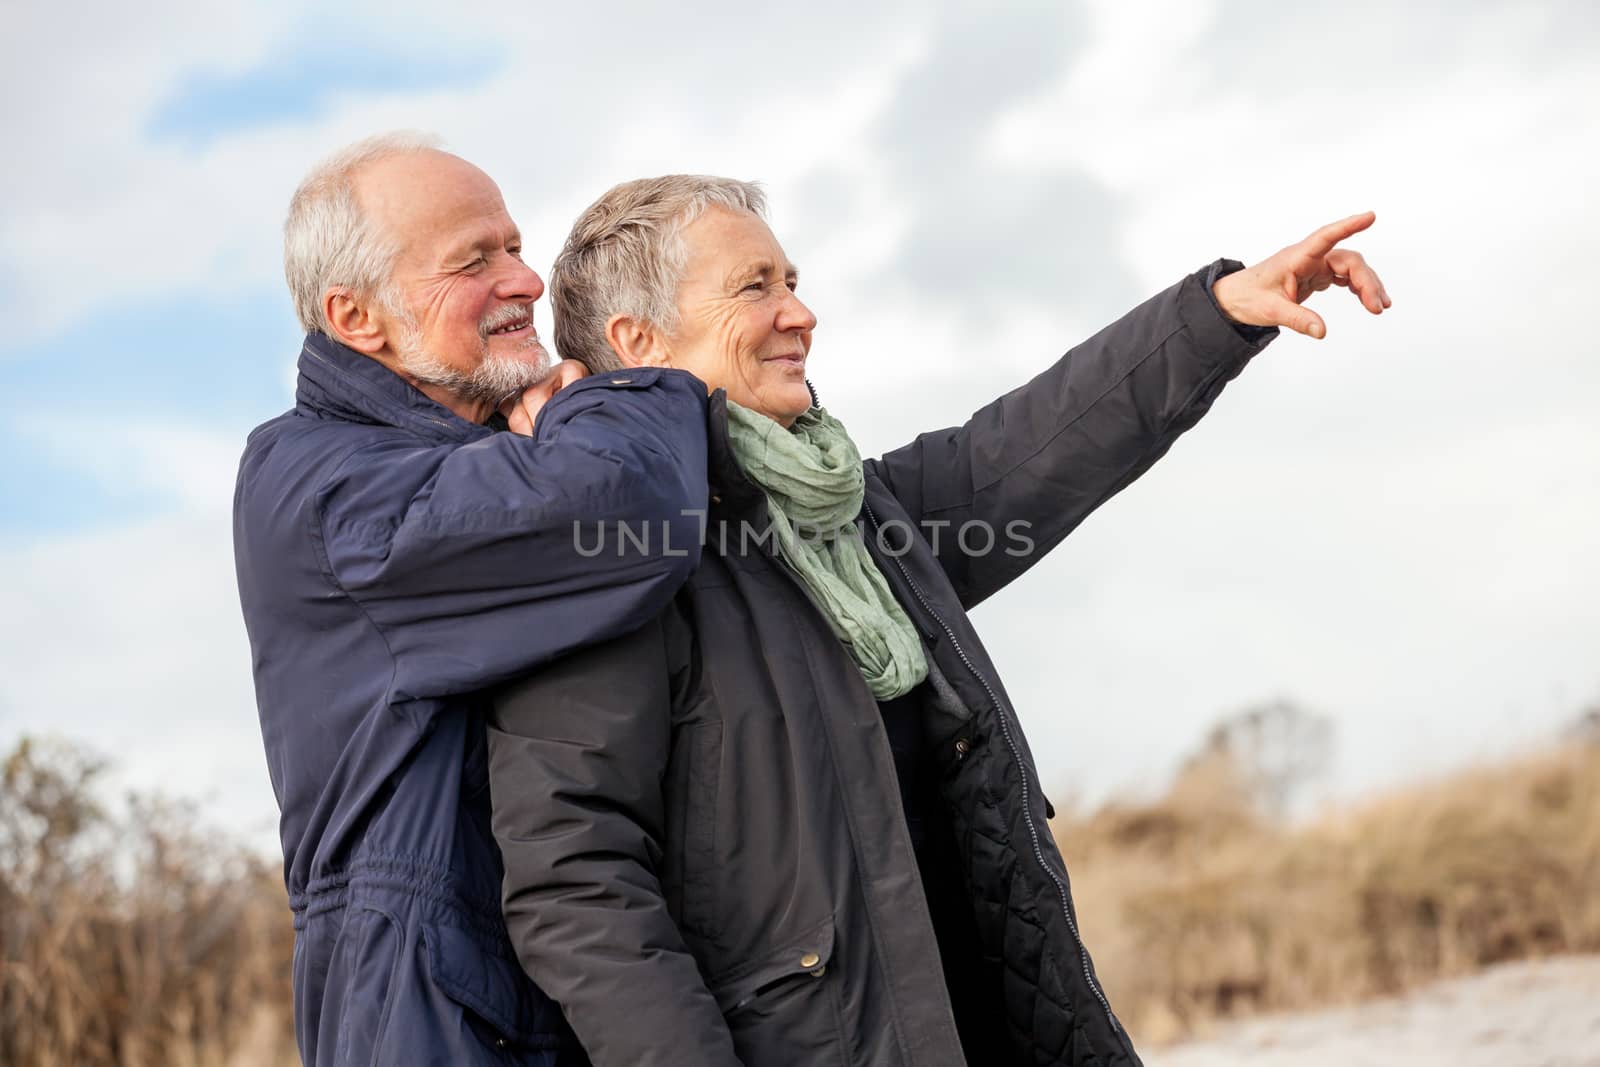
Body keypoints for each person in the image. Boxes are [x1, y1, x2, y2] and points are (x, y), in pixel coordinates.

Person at [487, 176, 1390, 1066]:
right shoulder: (609, 557)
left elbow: (1029, 448)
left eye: (792, 281)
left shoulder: (858, 515)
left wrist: (1219, 313)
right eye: (755, 287)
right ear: (639, 340)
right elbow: (577, 884)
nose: (800, 313)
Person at [232, 135, 711, 1066]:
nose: (527, 280)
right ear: (357, 316)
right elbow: (634, 509)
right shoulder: (328, 489)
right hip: (432, 1011)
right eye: (474, 259)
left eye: (516, 245)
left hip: (545, 988)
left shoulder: (489, 451)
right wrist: (613, 398)